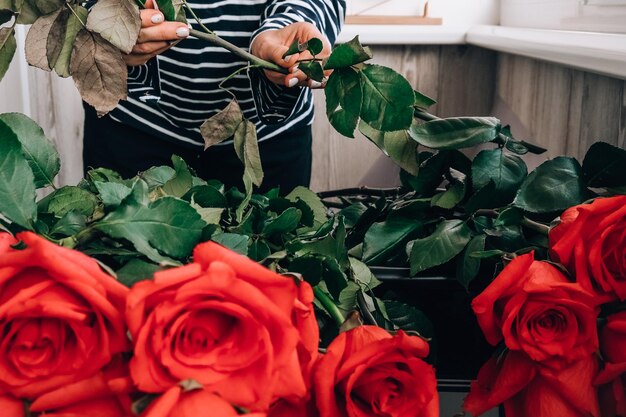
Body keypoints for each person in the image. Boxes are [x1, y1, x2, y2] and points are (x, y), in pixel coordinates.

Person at [82, 0, 346, 194]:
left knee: (267, 264)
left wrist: (290, 31)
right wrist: (110, 20)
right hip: (133, 124)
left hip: (267, 133)